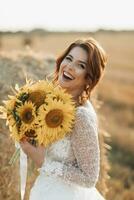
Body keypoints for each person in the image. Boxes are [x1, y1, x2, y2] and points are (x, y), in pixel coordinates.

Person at [20, 37, 107, 200]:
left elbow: (89, 178)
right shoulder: (53, 103)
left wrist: (43, 162)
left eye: (81, 65)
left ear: (89, 78)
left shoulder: (81, 116)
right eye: (69, 58)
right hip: (45, 189)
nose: (70, 67)